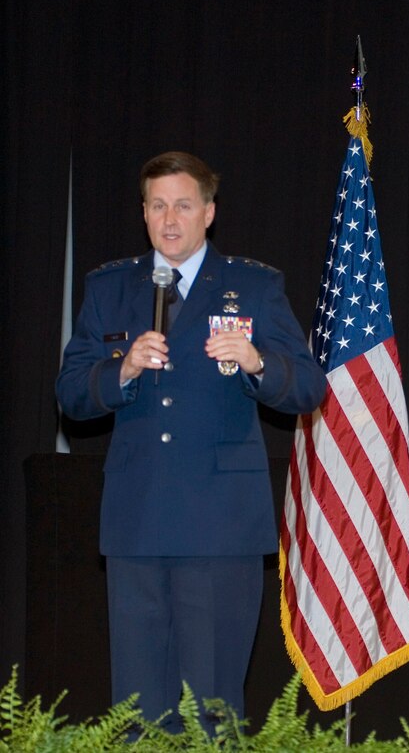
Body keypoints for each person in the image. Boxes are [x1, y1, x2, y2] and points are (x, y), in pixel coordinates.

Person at [55, 151, 326, 731]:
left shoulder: (252, 286)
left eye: (182, 205)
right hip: (137, 521)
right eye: (157, 206)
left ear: (209, 212)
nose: (169, 219)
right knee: (137, 710)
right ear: (144, 213)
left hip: (219, 526)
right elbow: (71, 394)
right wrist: (122, 371)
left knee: (212, 708)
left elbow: (307, 388)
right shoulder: (110, 287)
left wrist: (258, 362)